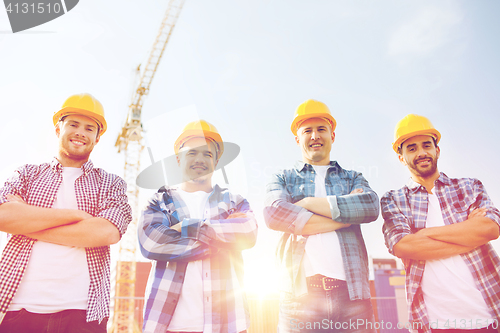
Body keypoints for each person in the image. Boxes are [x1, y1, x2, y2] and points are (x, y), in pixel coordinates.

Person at [0, 93, 132, 332]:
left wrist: (28, 224)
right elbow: (4, 217)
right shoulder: (27, 174)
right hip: (18, 309)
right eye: (73, 124)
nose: (81, 132)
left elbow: (106, 233)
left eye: (89, 128)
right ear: (58, 129)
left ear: (97, 138)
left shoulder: (111, 183)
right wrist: (76, 216)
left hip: (83, 313)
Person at [264, 99, 379, 333]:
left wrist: (305, 204)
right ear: (298, 139)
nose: (315, 136)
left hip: (353, 296)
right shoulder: (283, 178)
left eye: (321, 129)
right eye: (307, 130)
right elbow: (274, 213)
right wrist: (347, 217)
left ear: (332, 136)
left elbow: (370, 206)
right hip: (300, 299)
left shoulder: (352, 177)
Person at [381, 114, 500, 333]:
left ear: (437, 150)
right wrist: (469, 235)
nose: (421, 153)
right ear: (401, 157)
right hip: (434, 324)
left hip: (489, 315)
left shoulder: (469, 186)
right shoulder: (393, 199)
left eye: (427, 145)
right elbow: (403, 246)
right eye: (412, 148)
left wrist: (423, 234)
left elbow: (490, 229)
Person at [138, 120, 258, 333]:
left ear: (217, 161)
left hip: (227, 324)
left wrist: (182, 228)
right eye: (192, 153)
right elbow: (151, 243)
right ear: (178, 159)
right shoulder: (160, 201)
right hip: (167, 325)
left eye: (208, 154)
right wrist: (220, 242)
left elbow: (248, 232)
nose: (200, 160)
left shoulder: (234, 201)